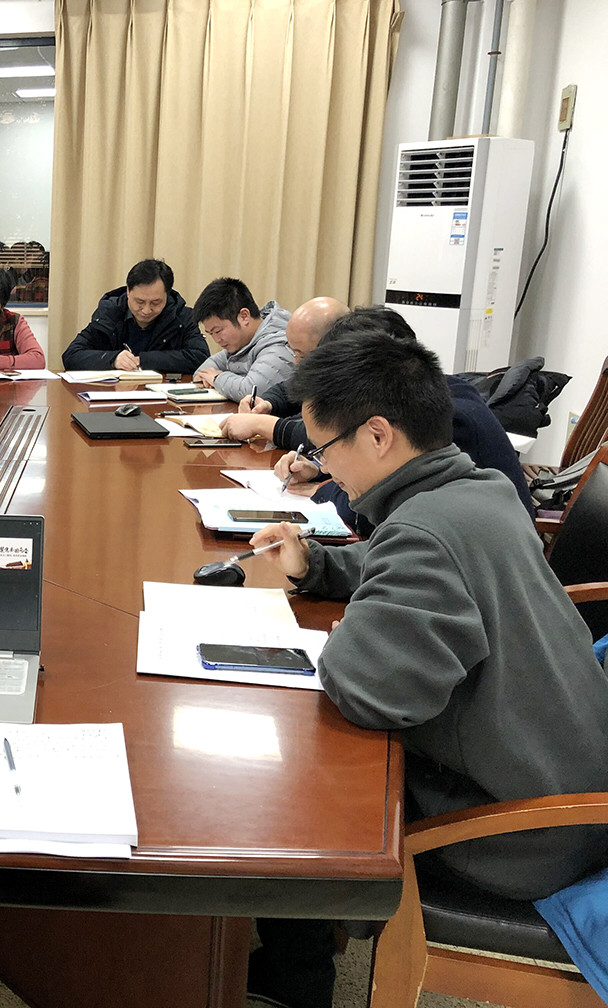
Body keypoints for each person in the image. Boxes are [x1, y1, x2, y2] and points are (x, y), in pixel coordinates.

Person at [246, 331, 608, 1008]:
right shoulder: (479, 491)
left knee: (304, 778)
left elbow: (373, 692)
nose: (325, 469)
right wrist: (316, 563)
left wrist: (351, 637)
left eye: (325, 449)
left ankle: (297, 982)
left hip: (523, 835)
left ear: (377, 434)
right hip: (564, 780)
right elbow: (400, 556)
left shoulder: (424, 531)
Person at [269, 306, 537, 531]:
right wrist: (319, 470)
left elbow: (372, 512)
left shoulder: (451, 419)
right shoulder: (434, 393)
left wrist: (324, 490)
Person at [218, 297, 347, 444]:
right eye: (293, 352)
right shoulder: (327, 369)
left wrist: (260, 424)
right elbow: (292, 387)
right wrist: (268, 404)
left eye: (301, 355)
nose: (295, 362)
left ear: (331, 348)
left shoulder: (359, 379)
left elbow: (324, 435)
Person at [61, 258, 207, 373]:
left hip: (163, 395)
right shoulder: (109, 313)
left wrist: (143, 360)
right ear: (128, 292)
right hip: (114, 394)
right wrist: (113, 359)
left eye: (156, 302)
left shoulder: (182, 317)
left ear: (167, 295)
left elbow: (200, 357)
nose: (146, 310)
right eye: (140, 302)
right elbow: (71, 356)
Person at [191, 277, 295, 401]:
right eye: (210, 333)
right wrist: (208, 377)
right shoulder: (242, 343)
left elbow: (252, 391)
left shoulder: (279, 344)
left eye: (218, 331)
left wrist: (216, 378)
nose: (216, 340)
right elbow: (203, 372)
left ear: (244, 316)